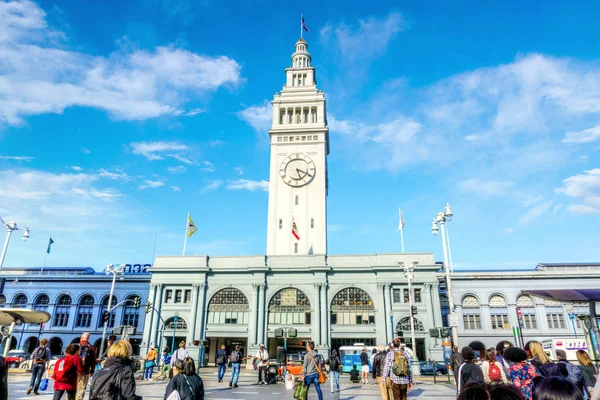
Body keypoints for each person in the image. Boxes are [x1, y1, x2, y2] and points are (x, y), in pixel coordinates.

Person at [76, 332, 97, 400]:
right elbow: (93, 360)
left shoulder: (75, 346)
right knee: (82, 388)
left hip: (74, 371)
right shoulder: (91, 347)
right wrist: (92, 370)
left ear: (81, 337)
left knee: (72, 387)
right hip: (85, 371)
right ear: (88, 338)